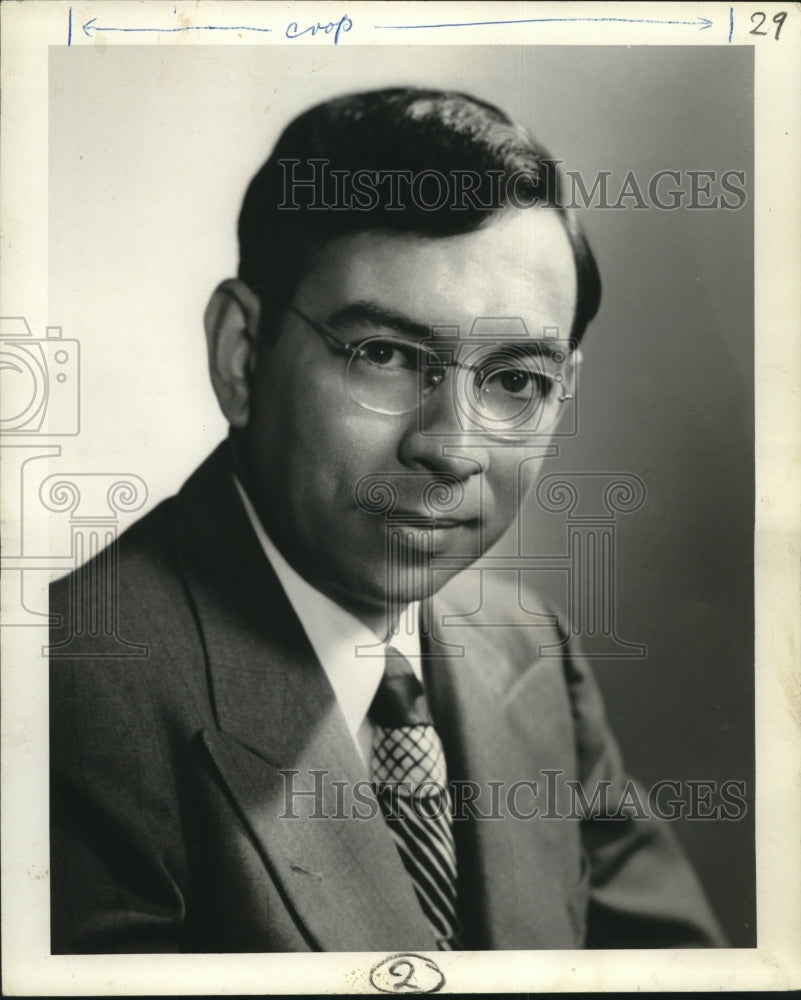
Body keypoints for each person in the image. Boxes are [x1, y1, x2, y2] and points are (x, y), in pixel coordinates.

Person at [49, 87, 724, 953]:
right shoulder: (63, 696)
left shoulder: (529, 653)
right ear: (241, 356)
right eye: (386, 356)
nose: (451, 449)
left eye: (516, 379)